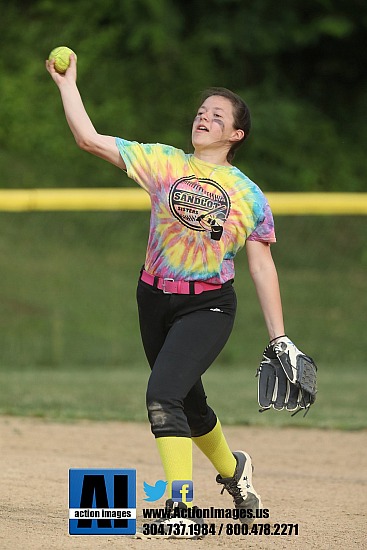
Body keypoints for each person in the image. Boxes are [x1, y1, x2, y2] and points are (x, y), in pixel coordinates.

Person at [46, 53, 285, 539]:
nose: (205, 116)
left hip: (210, 304)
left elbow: (261, 263)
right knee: (187, 405)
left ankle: (181, 508)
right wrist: (67, 84)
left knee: (161, 396)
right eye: (203, 110)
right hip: (154, 298)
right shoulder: (165, 163)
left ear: (236, 135)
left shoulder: (247, 194)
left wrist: (280, 338)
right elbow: (88, 139)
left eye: (219, 116)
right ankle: (235, 470)